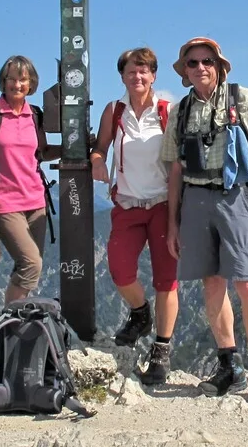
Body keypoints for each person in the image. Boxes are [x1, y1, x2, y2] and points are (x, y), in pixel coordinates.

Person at [161, 37, 248, 406]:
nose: (201, 68)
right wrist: (172, 223)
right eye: (193, 63)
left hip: (236, 196)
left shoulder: (241, 99)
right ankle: (229, 365)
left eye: (207, 61)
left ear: (219, 66)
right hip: (195, 200)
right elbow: (176, 170)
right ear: (185, 72)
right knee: (212, 283)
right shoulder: (180, 111)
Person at [90, 47, 179, 385]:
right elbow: (100, 147)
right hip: (127, 204)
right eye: (131, 71)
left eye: (144, 71)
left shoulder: (167, 111)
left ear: (153, 75)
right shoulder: (115, 110)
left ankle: (161, 349)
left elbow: (179, 162)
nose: (137, 76)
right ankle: (141, 314)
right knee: (119, 269)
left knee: (166, 280)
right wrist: (98, 160)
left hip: (162, 205)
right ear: (122, 76)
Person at [0, 55, 61, 305]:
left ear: (31, 83)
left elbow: (42, 152)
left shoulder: (35, 115)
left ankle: (16, 318)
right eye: (11, 79)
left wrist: (76, 149)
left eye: (23, 79)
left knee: (29, 266)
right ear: (3, 81)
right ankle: (10, 318)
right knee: (31, 264)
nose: (17, 84)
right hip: (3, 202)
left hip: (36, 201)